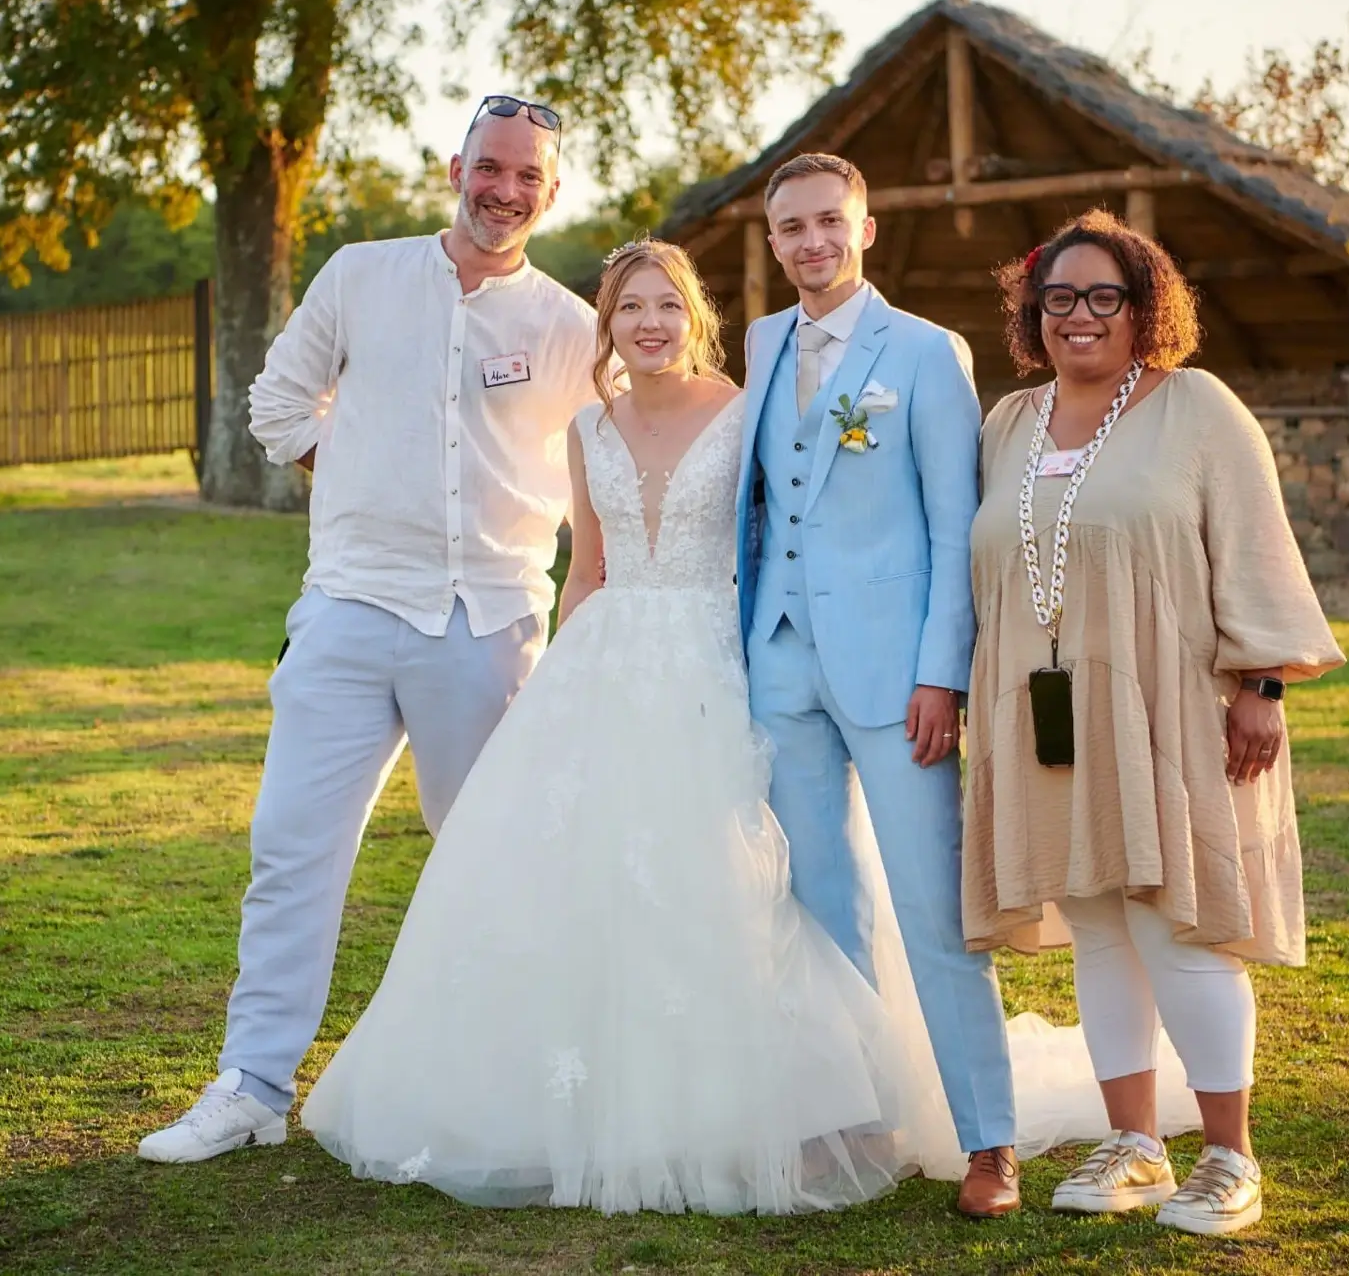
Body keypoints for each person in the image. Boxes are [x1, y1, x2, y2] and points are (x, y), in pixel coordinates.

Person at [299, 239, 964, 1214]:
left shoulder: (745, 411)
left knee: (743, 869)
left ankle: (829, 1105)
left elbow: (780, 540)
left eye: (666, 306)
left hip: (713, 650)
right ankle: (582, 1102)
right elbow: (587, 565)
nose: (648, 324)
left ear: (694, 317)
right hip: (606, 657)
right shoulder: (587, 426)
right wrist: (556, 672)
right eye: (628, 309)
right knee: (583, 872)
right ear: (606, 326)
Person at [138, 95, 604, 1164]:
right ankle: (252, 1087)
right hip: (347, 609)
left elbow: (605, 468)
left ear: (550, 191)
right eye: (490, 167)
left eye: (527, 176)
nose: (504, 190)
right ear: (456, 166)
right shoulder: (361, 273)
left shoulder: (569, 326)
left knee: (495, 859)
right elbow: (275, 405)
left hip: (488, 625)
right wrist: (346, 467)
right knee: (290, 850)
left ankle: (519, 1081)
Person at [963, 209, 1346, 1235]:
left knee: (1176, 919)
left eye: (1103, 297)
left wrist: (1263, 684)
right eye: (1058, 298)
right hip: (1047, 713)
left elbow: (1256, 547)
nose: (1079, 316)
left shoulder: (1198, 410)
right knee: (1095, 917)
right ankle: (1134, 1142)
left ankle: (1230, 1156)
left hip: (1171, 702)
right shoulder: (1008, 425)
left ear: (1145, 308)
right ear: (1031, 311)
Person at [733, 153, 1024, 1219]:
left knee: (933, 904)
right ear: (773, 243)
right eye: (791, 229)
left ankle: (991, 1139)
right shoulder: (762, 343)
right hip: (780, 659)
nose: (810, 243)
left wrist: (941, 671)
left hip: (898, 676)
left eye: (828, 224)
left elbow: (957, 526)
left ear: (865, 231)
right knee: (819, 904)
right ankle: (858, 1115)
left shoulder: (928, 352)